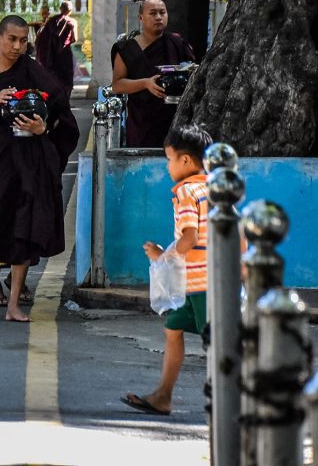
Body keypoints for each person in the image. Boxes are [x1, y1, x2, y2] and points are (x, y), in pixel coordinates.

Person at [0, 15, 79, 321]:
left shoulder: (32, 70)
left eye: (23, 40)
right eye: (11, 39)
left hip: (27, 158)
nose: (17, 46)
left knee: (23, 226)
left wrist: (43, 128)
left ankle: (13, 304)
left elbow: (59, 107)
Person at [122, 124, 216, 416]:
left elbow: (189, 237)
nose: (167, 166)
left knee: (220, 345)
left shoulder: (187, 191)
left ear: (185, 161)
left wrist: (163, 255)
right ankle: (163, 395)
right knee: (173, 327)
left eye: (169, 159)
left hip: (203, 284)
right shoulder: (214, 186)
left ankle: (241, 403)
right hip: (209, 281)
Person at [111, 0, 196, 147]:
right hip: (142, 122)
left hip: (175, 119)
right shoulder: (126, 49)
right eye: (153, 13)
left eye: (162, 13)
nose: (158, 17)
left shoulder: (177, 43)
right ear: (141, 18)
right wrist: (145, 83)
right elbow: (117, 85)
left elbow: (191, 72)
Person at [35, 0, 79, 94]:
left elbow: (42, 37)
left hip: (51, 55)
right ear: (70, 10)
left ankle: (54, 98)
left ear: (60, 9)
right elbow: (74, 39)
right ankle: (65, 100)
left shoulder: (52, 20)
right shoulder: (72, 22)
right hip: (64, 53)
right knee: (66, 77)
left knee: (54, 77)